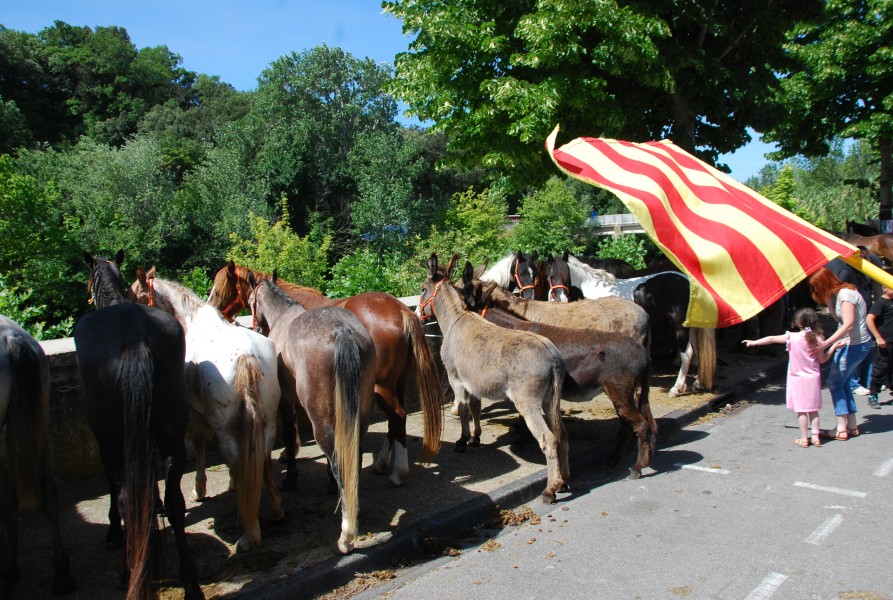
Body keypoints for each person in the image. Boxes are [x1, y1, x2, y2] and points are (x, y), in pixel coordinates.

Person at [743, 308, 840, 447]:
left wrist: (753, 342)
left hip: (797, 379)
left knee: (802, 411)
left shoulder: (792, 337)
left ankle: (804, 438)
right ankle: (816, 437)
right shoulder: (818, 339)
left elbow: (771, 339)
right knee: (813, 410)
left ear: (798, 322)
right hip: (813, 378)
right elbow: (823, 359)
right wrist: (834, 347)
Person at [809, 267, 873, 441]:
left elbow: (848, 325)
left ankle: (841, 429)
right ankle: (851, 426)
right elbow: (839, 319)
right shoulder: (843, 293)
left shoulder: (846, 296)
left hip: (852, 345)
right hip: (856, 344)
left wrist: (826, 343)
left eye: (817, 288)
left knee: (835, 384)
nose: (816, 292)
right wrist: (829, 300)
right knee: (844, 383)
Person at [826, 246, 876, 394]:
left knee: (865, 347)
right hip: (852, 313)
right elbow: (837, 289)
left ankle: (866, 380)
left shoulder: (860, 271)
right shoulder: (846, 272)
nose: (866, 260)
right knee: (854, 348)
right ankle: (854, 383)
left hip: (862, 312)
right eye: (863, 257)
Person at [866, 284, 893, 408]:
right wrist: (878, 337)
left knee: (891, 369)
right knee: (880, 369)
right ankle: (873, 395)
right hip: (884, 342)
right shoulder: (880, 303)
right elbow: (869, 319)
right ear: (884, 288)